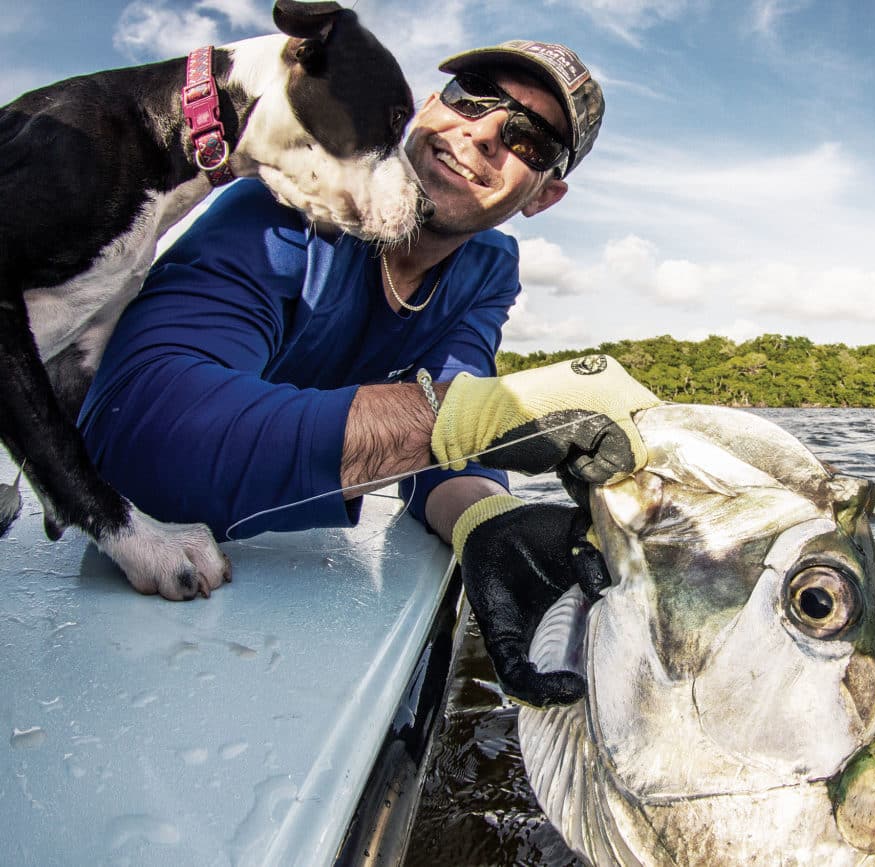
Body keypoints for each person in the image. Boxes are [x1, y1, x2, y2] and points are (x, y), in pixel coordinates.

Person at [79, 41, 659, 705]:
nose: (485, 132)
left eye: (528, 137)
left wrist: (489, 524)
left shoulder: (488, 268)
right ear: (429, 104)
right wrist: (499, 412)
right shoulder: (284, 205)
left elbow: (452, 439)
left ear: (544, 196)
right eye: (473, 92)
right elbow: (127, 436)